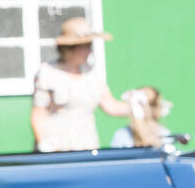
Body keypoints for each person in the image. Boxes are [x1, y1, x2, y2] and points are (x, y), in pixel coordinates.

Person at [30, 17, 131, 152]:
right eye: (86, 47)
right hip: (57, 147)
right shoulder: (48, 73)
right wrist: (44, 143)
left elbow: (110, 105)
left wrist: (141, 107)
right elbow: (39, 113)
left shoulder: (91, 73)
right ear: (70, 48)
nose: (89, 51)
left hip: (87, 145)